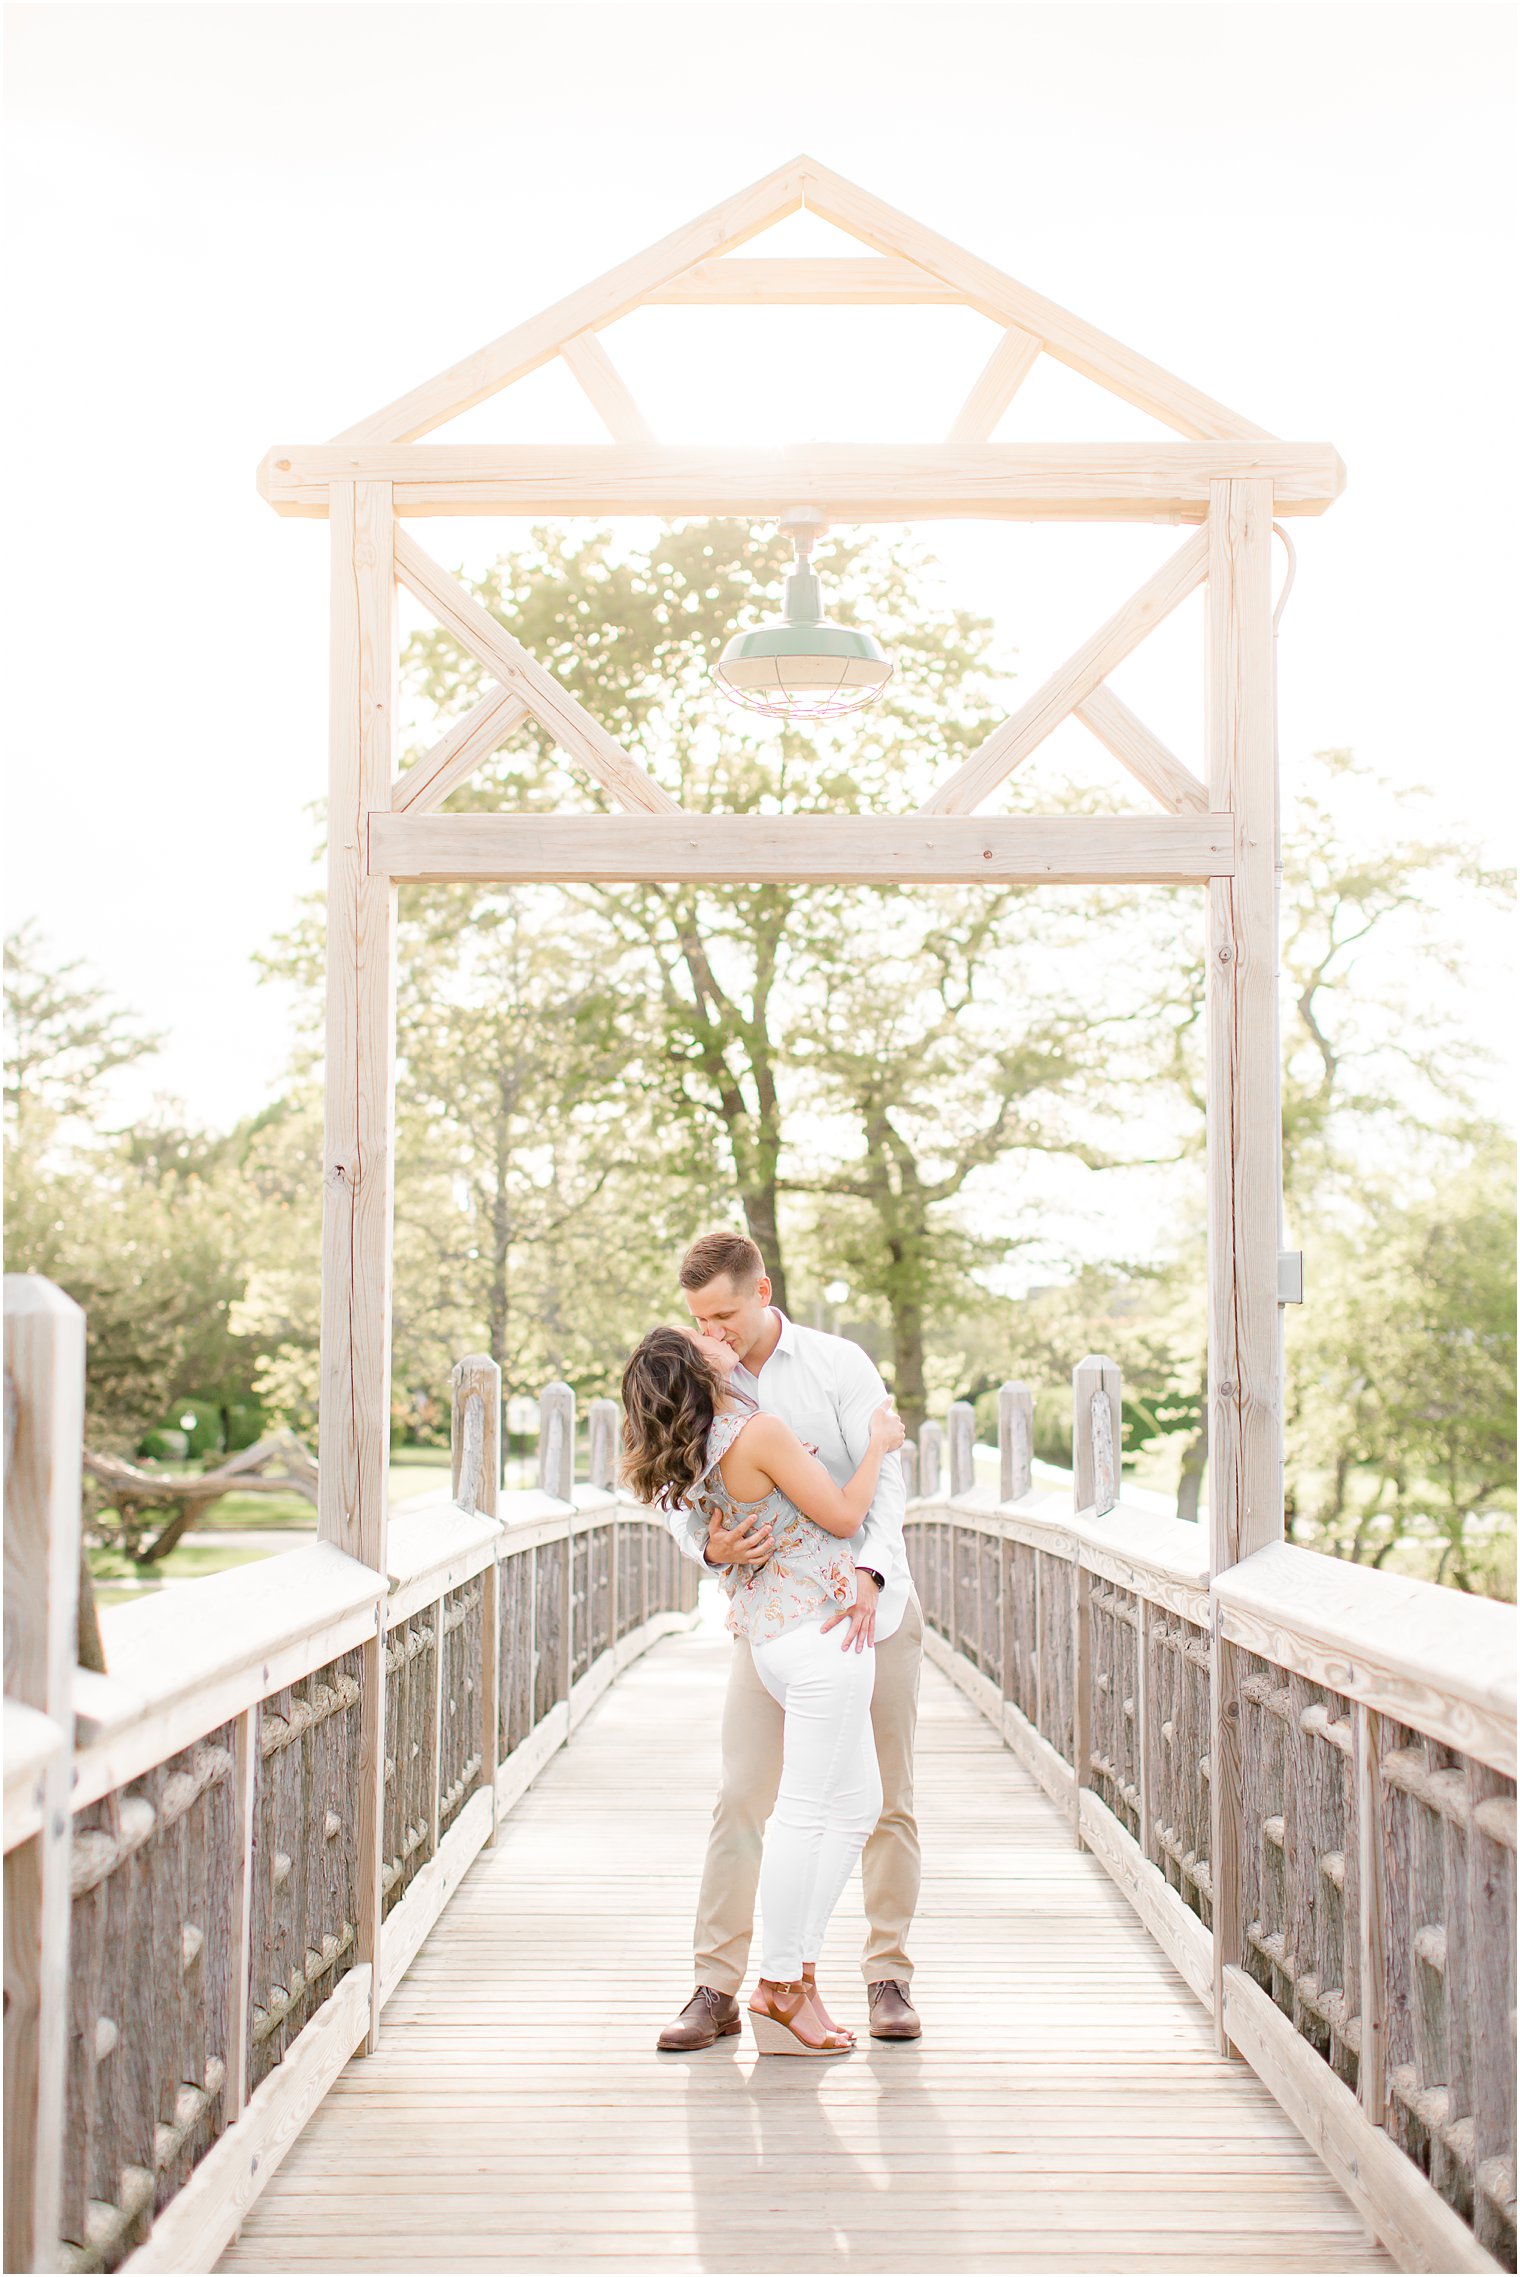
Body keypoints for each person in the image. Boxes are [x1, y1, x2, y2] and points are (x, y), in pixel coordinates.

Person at [655, 1230, 924, 2050]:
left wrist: (871, 1576)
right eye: (700, 1317)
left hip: (871, 1612)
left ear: (763, 1292)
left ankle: (886, 1975)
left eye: (725, 1313)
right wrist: (710, 1550)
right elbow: (672, 1488)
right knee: (743, 1795)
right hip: (775, 1626)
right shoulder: (704, 1376)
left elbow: (886, 1490)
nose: (714, 1330)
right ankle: (718, 1982)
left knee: (885, 1801)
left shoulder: (839, 1366)